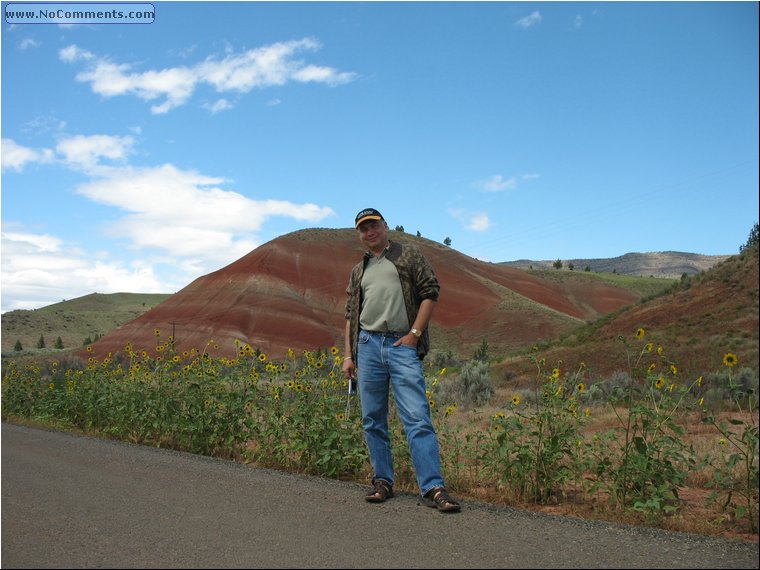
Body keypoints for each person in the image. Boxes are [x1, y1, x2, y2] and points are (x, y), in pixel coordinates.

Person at [342, 207, 460, 513]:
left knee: (417, 417)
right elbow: (350, 315)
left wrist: (414, 334)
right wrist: (348, 355)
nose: (369, 232)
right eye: (363, 228)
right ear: (360, 234)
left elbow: (430, 293)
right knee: (372, 419)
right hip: (368, 345)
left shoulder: (408, 256)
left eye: (373, 225)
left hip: (401, 344)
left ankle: (433, 487)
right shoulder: (360, 269)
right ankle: (382, 481)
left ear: (385, 226)